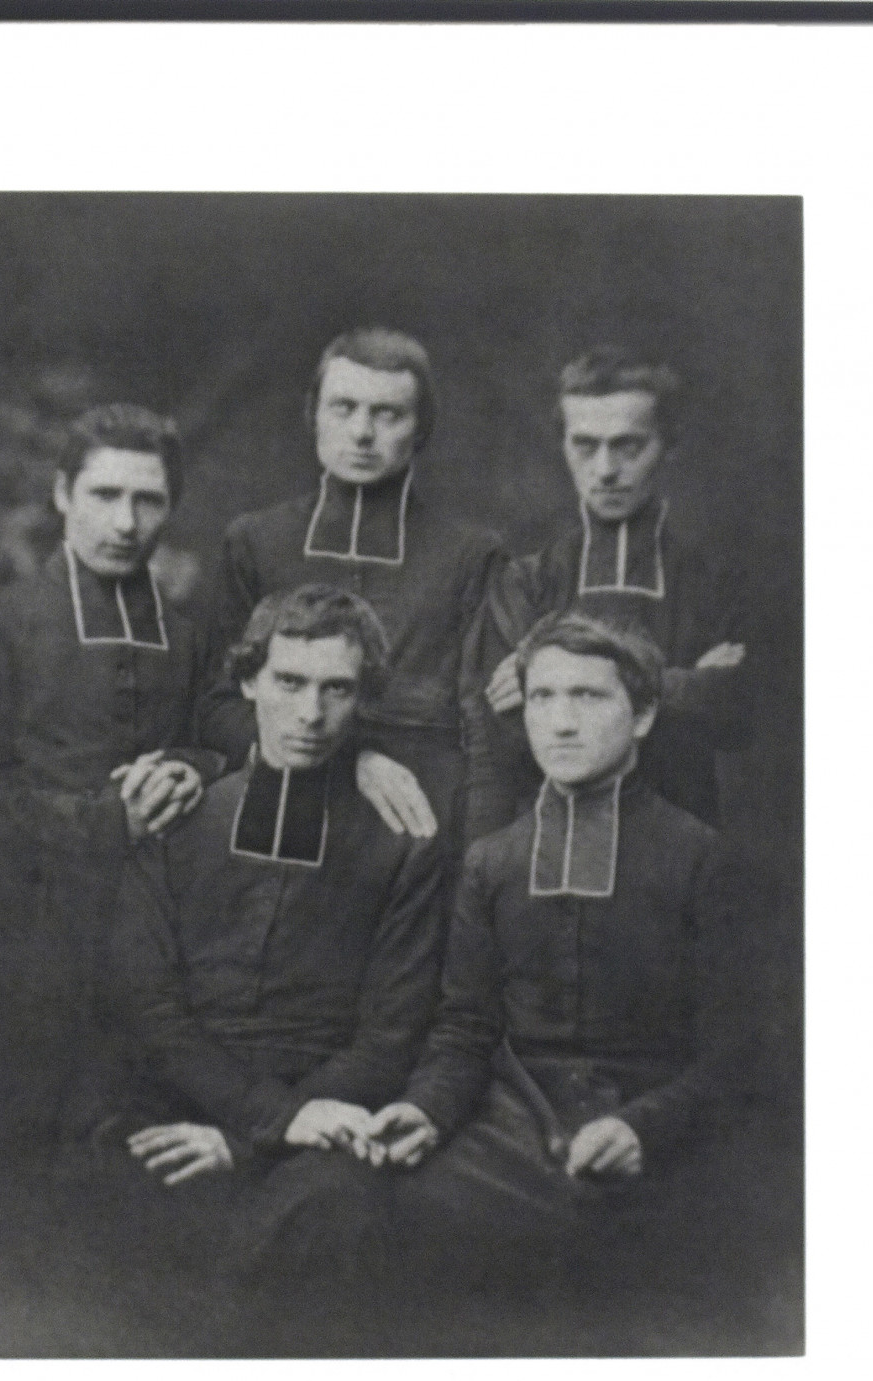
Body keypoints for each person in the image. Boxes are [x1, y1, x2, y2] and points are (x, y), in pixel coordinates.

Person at [68, 584, 444, 1354]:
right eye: (289, 683)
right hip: (175, 1092)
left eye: (337, 689)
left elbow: (389, 1037)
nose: (310, 715)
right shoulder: (181, 817)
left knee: (336, 1223)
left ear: (363, 698)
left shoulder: (401, 842)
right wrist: (250, 1118)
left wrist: (256, 1138)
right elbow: (149, 1007)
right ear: (248, 683)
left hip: (319, 1115)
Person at [369, 611, 752, 1310]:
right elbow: (464, 1030)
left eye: (589, 697)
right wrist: (425, 1109)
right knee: (396, 1223)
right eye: (542, 697)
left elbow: (737, 1054)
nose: (561, 722)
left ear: (641, 717)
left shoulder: (701, 857)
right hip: (512, 1125)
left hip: (658, 1134)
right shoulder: (492, 861)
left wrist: (645, 1128)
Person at [0, 403, 224, 1148]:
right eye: (104, 495)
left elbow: (222, 741)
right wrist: (108, 822)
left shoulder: (189, 636)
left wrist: (195, 768)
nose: (126, 523)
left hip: (168, 942)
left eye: (148, 499)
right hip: (25, 947)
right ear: (62, 494)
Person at [197, 327, 505, 853]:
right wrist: (347, 759)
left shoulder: (472, 554)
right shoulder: (254, 540)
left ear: (421, 429)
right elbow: (217, 706)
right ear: (313, 415)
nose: (363, 432)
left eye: (388, 414)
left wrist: (473, 857)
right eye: (344, 407)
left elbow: (484, 726)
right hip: (280, 806)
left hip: (420, 818)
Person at [465, 346, 750, 839]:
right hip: (551, 830)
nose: (605, 470)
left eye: (628, 446)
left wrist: (552, 679)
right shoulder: (527, 572)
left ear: (668, 447)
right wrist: (682, 685)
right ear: (563, 446)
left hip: (681, 829)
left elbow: (734, 717)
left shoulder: (714, 575)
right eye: (585, 445)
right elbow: (505, 732)